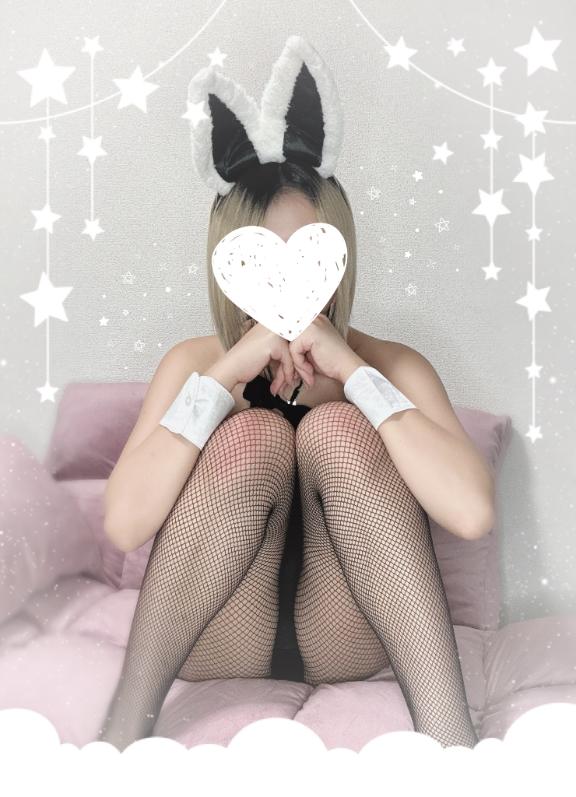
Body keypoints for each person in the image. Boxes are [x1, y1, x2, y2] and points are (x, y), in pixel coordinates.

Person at [98, 36, 480, 751]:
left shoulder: (392, 363)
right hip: (220, 631)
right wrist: (226, 375)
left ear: (338, 256)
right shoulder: (194, 362)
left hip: (349, 628)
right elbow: (123, 525)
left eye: (305, 258)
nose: (283, 283)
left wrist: (355, 374)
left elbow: (470, 511)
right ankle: (118, 733)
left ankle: (454, 744)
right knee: (256, 434)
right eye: (259, 261)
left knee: (335, 429)